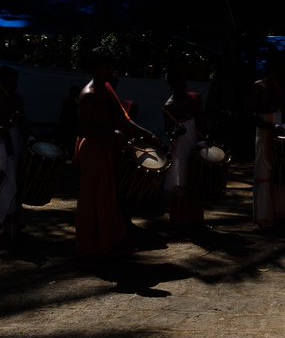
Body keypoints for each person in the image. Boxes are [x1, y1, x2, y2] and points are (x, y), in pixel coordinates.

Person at [74, 48, 160, 258]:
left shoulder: (107, 88)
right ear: (93, 69)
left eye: (111, 66)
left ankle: (107, 240)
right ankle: (93, 244)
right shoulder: (89, 95)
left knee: (107, 196)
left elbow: (124, 121)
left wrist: (148, 135)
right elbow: (82, 130)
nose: (110, 70)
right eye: (105, 67)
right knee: (94, 197)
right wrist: (111, 133)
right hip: (94, 149)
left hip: (106, 147)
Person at [0, 66, 28, 248]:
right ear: (1, 82)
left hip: (17, 143)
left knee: (17, 183)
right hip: (5, 146)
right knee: (5, 184)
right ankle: (0, 225)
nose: (15, 84)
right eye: (12, 80)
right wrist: (11, 124)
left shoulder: (16, 98)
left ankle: (14, 223)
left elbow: (24, 122)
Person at [163, 70, 208, 234]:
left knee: (196, 178)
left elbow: (202, 120)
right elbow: (168, 132)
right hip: (181, 145)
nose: (183, 84)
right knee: (181, 182)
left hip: (196, 140)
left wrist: (205, 139)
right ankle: (179, 221)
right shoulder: (170, 105)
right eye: (179, 81)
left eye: (184, 80)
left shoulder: (194, 98)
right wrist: (176, 133)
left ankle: (196, 220)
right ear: (172, 84)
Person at [248, 63, 285, 230]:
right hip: (266, 132)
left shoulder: (278, 88)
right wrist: (271, 127)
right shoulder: (258, 87)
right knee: (264, 170)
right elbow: (250, 114)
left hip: (277, 130)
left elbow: (283, 108)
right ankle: (264, 216)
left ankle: (279, 214)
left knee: (279, 171)